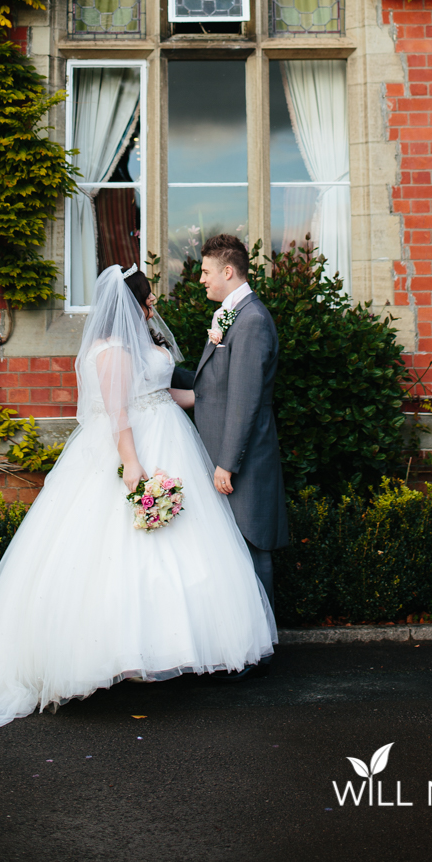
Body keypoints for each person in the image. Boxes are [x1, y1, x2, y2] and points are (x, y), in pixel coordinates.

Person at [0, 264, 275, 728]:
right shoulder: (112, 350)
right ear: (132, 303)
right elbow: (119, 413)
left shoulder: (144, 341)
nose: (153, 307)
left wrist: (211, 395)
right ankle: (117, 655)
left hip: (171, 436)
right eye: (148, 300)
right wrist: (132, 464)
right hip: (138, 448)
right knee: (123, 552)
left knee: (180, 546)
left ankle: (172, 648)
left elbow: (165, 392)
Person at [171, 233, 289, 621]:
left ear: (227, 270)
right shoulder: (230, 314)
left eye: (206, 271)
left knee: (253, 552)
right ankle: (244, 644)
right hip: (227, 457)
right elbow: (213, 386)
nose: (201, 278)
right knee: (233, 554)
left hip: (244, 462)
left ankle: (261, 649)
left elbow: (245, 399)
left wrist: (227, 463)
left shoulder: (251, 321)